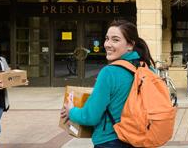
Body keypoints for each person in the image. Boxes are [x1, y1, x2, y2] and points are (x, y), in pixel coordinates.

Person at [61, 19, 155, 148]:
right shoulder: (148, 69)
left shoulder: (109, 73)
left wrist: (71, 111)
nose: (107, 44)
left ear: (130, 45)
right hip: (141, 139)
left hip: (111, 141)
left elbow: (91, 116)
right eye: (107, 39)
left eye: (115, 40)